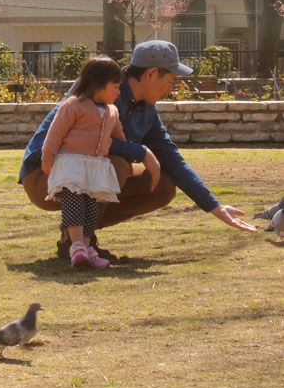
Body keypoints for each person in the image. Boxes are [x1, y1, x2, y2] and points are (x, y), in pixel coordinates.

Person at [19, 39, 257, 262]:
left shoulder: (147, 111)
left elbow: (171, 157)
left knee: (162, 186)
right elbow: (81, 139)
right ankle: (78, 242)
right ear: (151, 74)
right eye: (170, 81)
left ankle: (74, 236)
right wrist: (140, 151)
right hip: (46, 174)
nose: (170, 89)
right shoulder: (100, 86)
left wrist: (215, 206)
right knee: (118, 165)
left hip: (84, 174)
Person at [41, 57, 126, 268]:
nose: (118, 92)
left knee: (91, 208)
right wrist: (48, 155)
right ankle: (76, 245)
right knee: (74, 203)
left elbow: (119, 136)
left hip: (95, 166)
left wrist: (127, 152)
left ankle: (87, 249)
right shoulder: (73, 105)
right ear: (98, 85)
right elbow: (55, 132)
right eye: (115, 87)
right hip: (71, 163)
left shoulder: (112, 111)